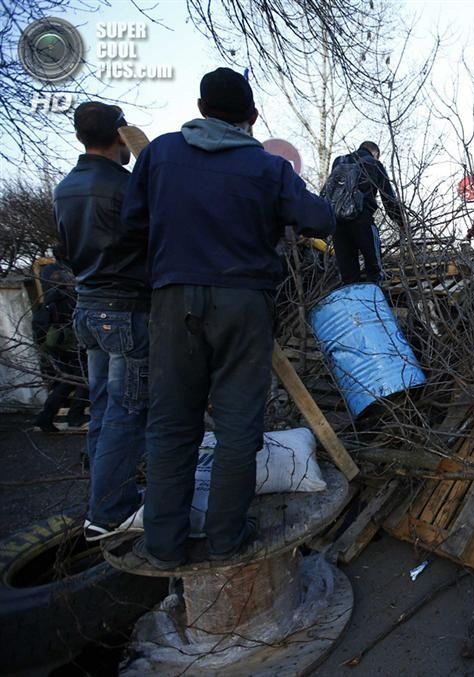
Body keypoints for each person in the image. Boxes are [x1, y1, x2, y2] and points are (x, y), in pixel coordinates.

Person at [123, 67, 334, 568]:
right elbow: (319, 219)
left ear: (200, 109)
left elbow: (131, 226)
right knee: (239, 426)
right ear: (252, 118)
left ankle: (164, 545)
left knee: (172, 425)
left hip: (173, 300)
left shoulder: (159, 155)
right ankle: (226, 537)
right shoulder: (267, 167)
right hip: (243, 304)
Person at [53, 101, 149, 542]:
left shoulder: (65, 187)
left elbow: (66, 253)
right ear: (118, 134)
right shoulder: (125, 187)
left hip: (88, 307)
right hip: (124, 309)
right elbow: (152, 243)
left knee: (105, 408)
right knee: (127, 411)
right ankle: (110, 513)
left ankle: (102, 499)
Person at [327, 141, 404, 285]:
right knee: (374, 272)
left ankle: (354, 305)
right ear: (375, 153)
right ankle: (374, 303)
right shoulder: (373, 164)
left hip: (338, 225)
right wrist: (401, 222)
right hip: (362, 222)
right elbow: (388, 198)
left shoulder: (339, 162)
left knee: (349, 278)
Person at [31, 256, 89, 432]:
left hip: (59, 348)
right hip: (72, 347)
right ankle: (74, 416)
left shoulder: (49, 297)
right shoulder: (67, 297)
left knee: (68, 381)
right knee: (85, 380)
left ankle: (46, 416)